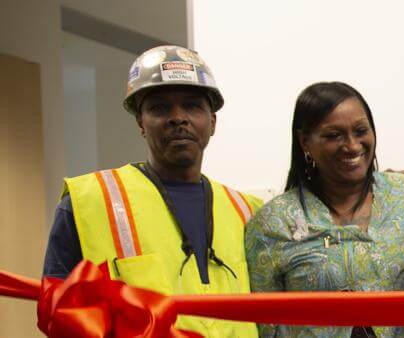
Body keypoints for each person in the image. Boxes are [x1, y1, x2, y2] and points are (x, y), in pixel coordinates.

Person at [40, 45, 261, 337]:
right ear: (141, 123)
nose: (177, 118)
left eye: (193, 105)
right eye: (159, 107)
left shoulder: (249, 211)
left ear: (213, 122)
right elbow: (56, 313)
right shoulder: (88, 201)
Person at [246, 81, 404, 338]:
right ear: (305, 142)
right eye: (334, 135)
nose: (352, 145)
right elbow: (265, 327)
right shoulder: (274, 223)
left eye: (361, 131)